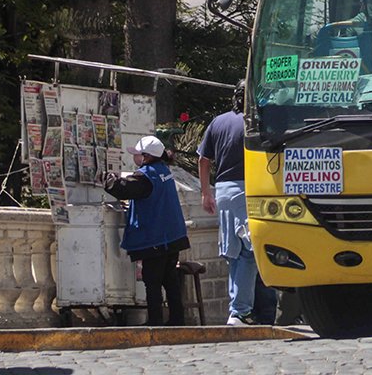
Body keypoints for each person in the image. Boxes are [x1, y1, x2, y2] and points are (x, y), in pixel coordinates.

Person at [103, 135, 190, 326]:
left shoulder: (146, 176)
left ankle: (155, 321)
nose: (135, 157)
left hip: (157, 238)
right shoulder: (164, 171)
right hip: (173, 235)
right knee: (170, 280)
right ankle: (177, 320)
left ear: (146, 156)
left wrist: (105, 178)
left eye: (138, 154)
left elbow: (123, 188)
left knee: (153, 281)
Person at [199, 83, 260, 326]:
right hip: (248, 189)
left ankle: (238, 309)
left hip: (223, 190)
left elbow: (203, 159)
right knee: (249, 251)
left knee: (233, 252)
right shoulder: (255, 122)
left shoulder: (218, 122)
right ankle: (241, 311)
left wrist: (206, 192)